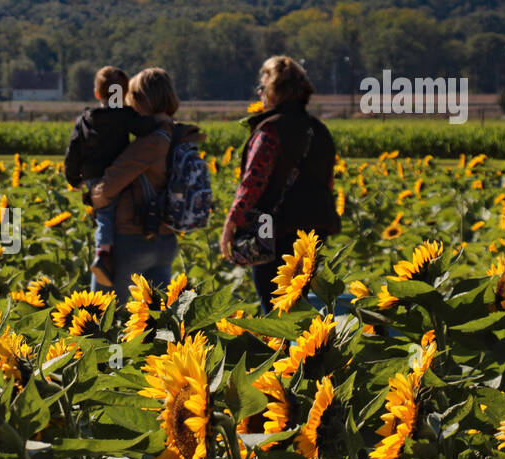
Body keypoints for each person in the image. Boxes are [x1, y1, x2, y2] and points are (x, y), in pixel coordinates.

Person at [220, 56, 341, 313]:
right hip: (312, 230)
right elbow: (327, 181)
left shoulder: (270, 131)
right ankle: (297, 350)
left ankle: (283, 351)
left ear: (275, 91)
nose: (260, 93)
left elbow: (253, 183)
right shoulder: (318, 130)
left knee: (273, 306)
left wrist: (231, 224)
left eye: (263, 87)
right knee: (298, 301)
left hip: (271, 229)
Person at [90, 67, 202, 305]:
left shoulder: (151, 143)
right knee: (153, 321)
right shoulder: (181, 135)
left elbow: (109, 185)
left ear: (140, 100)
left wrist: (93, 196)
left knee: (105, 314)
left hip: (133, 240)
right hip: (166, 241)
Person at [64, 66, 170, 287]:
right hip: (114, 175)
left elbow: (73, 151)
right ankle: (103, 253)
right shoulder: (125, 115)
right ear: (124, 95)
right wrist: (159, 121)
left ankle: (102, 251)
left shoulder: (85, 118)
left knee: (103, 214)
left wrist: (74, 178)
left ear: (96, 93)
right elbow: (143, 128)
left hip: (93, 176)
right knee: (109, 212)